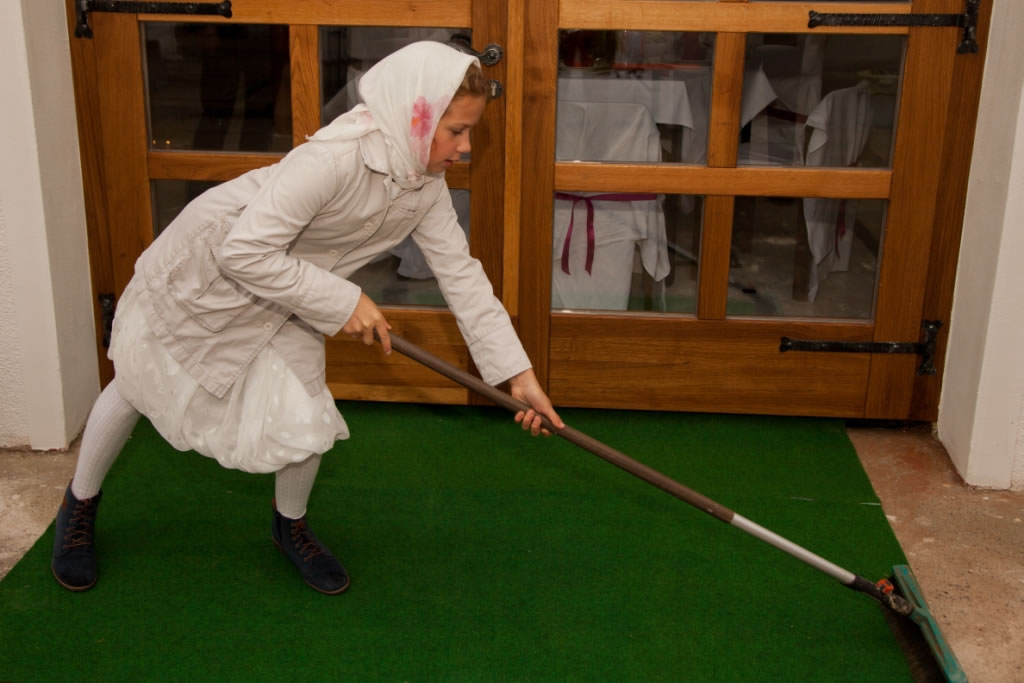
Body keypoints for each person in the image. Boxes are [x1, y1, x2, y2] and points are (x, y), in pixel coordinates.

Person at [51, 41, 564, 596]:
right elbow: (244, 251)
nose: (465, 147)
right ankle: (78, 505)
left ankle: (288, 525)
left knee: (307, 410)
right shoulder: (333, 159)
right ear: (414, 116)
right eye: (457, 131)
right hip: (216, 270)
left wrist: (517, 375)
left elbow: (463, 277)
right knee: (138, 381)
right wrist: (344, 302)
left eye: (469, 132)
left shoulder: (426, 188)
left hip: (294, 290)